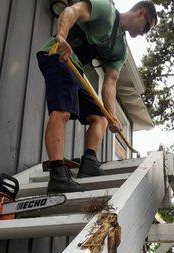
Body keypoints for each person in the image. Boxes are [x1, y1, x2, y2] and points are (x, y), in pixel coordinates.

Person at [37, 0, 157, 194]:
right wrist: (61, 37)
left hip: (75, 69)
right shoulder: (106, 10)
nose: (143, 34)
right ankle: (57, 174)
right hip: (56, 54)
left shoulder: (120, 50)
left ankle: (89, 164)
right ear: (141, 13)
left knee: (99, 118)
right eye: (146, 28)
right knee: (62, 111)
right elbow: (71, 11)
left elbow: (110, 83)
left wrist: (113, 116)